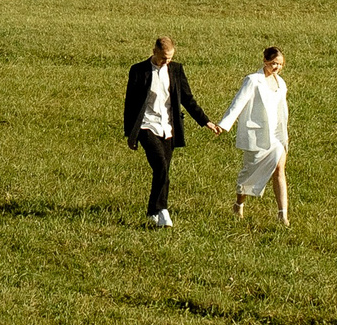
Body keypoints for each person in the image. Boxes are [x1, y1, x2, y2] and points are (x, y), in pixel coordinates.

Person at [121, 35, 220, 228]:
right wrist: (131, 134)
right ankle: (163, 210)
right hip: (146, 125)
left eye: (170, 57)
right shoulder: (138, 70)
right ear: (154, 51)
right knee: (160, 165)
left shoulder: (176, 70)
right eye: (163, 57)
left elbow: (187, 99)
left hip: (168, 126)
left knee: (163, 170)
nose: (166, 61)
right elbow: (130, 104)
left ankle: (152, 211)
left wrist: (205, 121)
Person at [215, 47, 292, 225]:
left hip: (277, 135)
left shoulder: (281, 83)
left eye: (280, 65)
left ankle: (282, 215)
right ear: (265, 61)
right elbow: (238, 103)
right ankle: (239, 204)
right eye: (274, 63)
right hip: (257, 136)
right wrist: (224, 124)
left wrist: (284, 134)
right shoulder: (253, 80)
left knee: (280, 169)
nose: (277, 68)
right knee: (249, 173)